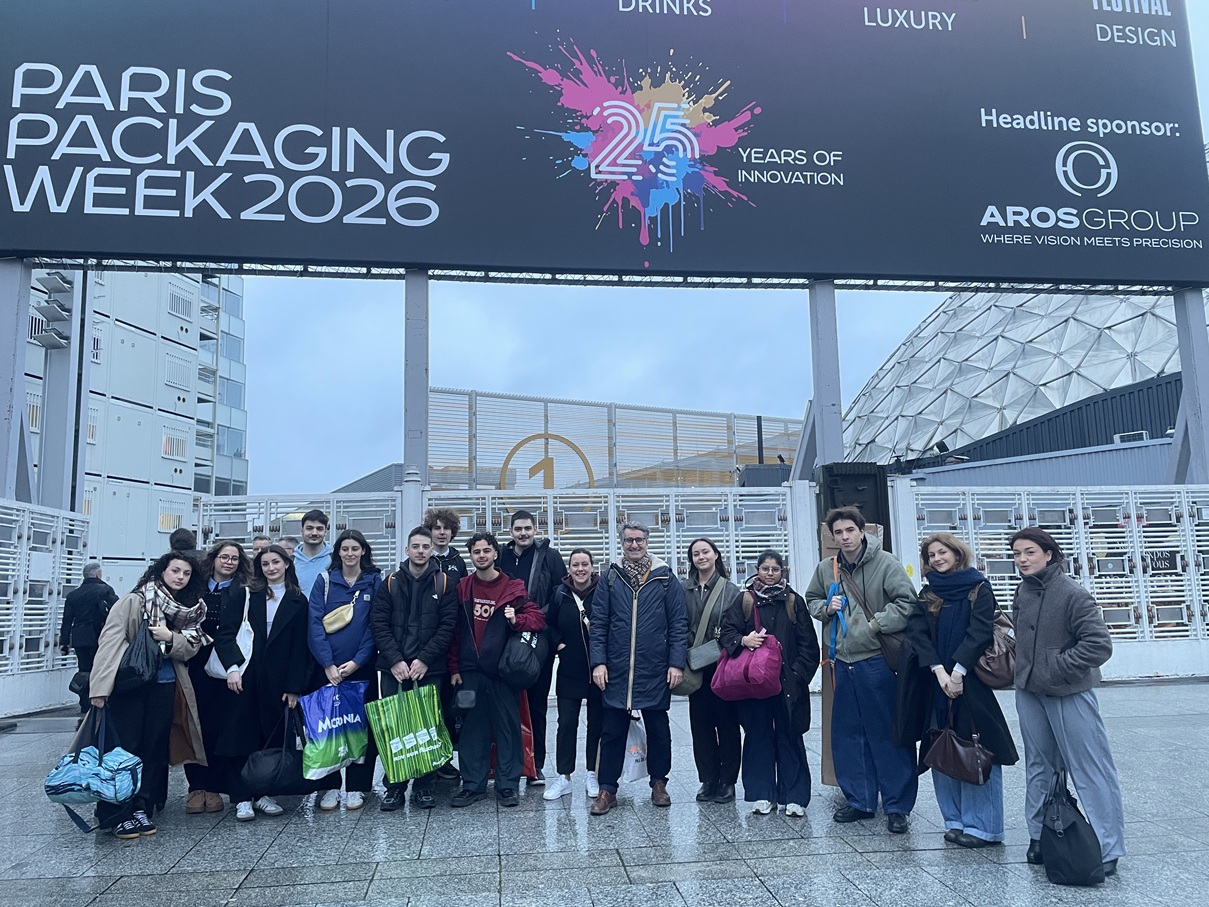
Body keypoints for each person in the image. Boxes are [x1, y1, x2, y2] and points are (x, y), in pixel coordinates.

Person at [1011, 527, 1125, 876]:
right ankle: (1039, 837)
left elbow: (1099, 645)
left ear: (1048, 553)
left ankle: (1107, 847)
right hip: (1030, 692)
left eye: (1029, 552)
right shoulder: (1023, 591)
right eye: (1017, 554)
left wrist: (1058, 666)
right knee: (1039, 767)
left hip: (1068, 692)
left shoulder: (1073, 593)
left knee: (1089, 769)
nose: (1022, 560)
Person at [900, 533, 1018, 847]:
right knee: (942, 747)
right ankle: (954, 820)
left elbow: (979, 631)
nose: (937, 558)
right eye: (931, 555)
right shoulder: (928, 593)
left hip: (972, 682)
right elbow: (918, 633)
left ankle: (985, 827)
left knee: (979, 748)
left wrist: (958, 672)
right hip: (936, 682)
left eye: (942, 552)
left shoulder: (979, 587)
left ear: (956, 553)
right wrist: (939, 671)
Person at [805, 507, 918, 833]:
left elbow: (907, 602)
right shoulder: (828, 568)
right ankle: (860, 800)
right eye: (838, 533)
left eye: (849, 531)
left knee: (887, 734)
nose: (844, 537)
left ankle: (897, 806)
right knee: (848, 736)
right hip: (841, 663)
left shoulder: (886, 563)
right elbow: (811, 598)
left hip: (875, 661)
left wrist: (875, 625)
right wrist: (825, 608)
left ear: (861, 530)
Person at [87, 552, 209, 838]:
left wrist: (170, 637)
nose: (180, 577)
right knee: (123, 748)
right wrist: (99, 689)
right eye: (175, 570)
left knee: (153, 748)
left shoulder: (189, 609)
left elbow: (191, 647)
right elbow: (110, 642)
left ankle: (142, 804)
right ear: (161, 571)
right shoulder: (135, 600)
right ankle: (117, 811)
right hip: (129, 686)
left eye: (186, 573)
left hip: (165, 683)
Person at [588, 521, 687, 815]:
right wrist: (599, 662)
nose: (634, 545)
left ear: (647, 542)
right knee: (613, 731)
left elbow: (678, 624)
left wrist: (676, 663)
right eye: (629, 540)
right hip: (617, 669)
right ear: (622, 543)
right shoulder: (609, 578)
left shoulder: (664, 577)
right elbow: (599, 624)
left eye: (639, 540)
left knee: (658, 728)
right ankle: (607, 788)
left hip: (654, 668)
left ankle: (659, 783)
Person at [213, 544, 315, 822]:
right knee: (239, 738)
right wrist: (232, 668)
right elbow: (226, 634)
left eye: (276, 562)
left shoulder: (298, 599)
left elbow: (299, 648)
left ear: (286, 564)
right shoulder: (245, 594)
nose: (271, 568)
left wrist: (295, 687)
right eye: (265, 564)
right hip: (244, 677)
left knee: (269, 737)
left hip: (278, 681)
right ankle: (241, 798)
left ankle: (263, 793)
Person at [447, 531, 545, 808]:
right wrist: (454, 667)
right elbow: (454, 631)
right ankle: (473, 785)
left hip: (503, 673)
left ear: (494, 554)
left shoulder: (512, 588)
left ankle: (507, 785)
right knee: (472, 730)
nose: (481, 556)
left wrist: (517, 620)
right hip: (469, 673)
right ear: (471, 556)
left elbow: (537, 618)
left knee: (507, 729)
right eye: (476, 552)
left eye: (486, 551)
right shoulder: (463, 587)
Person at [720, 550, 820, 816]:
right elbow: (727, 631)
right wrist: (743, 641)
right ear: (757, 570)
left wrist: (798, 676)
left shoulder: (793, 601)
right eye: (765, 569)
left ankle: (795, 796)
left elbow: (809, 645)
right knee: (757, 735)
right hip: (754, 682)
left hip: (788, 683)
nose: (770, 574)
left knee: (790, 735)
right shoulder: (745, 600)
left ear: (782, 572)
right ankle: (762, 794)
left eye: (775, 570)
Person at [369, 526, 458, 811]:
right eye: (415, 546)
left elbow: (448, 627)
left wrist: (424, 660)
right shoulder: (390, 582)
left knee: (427, 727)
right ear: (406, 550)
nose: (420, 551)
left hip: (428, 669)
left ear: (432, 550)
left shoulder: (445, 582)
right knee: (396, 727)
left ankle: (424, 785)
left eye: (425, 546)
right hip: (394, 669)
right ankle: (395, 786)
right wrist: (395, 660)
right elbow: (378, 623)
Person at [308, 529, 383, 812]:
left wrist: (358, 661)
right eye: (345, 549)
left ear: (363, 551)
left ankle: (358, 786)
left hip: (361, 669)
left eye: (355, 548)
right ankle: (329, 787)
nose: (350, 553)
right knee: (328, 729)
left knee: (361, 727)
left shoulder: (374, 581)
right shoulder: (325, 581)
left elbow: (375, 624)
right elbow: (314, 623)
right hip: (327, 670)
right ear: (337, 552)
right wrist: (327, 663)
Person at [498, 509, 567, 786]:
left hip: (540, 637)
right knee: (507, 705)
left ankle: (536, 765)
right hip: (505, 639)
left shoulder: (550, 556)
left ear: (535, 529)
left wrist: (535, 618)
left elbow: (561, 592)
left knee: (537, 704)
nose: (523, 533)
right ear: (511, 531)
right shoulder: (501, 556)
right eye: (518, 529)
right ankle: (510, 765)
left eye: (528, 528)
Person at [184, 541, 252, 815]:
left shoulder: (244, 590)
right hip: (194, 661)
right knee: (196, 725)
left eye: (234, 558)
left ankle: (216, 786)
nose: (229, 562)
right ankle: (196, 785)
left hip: (229, 664)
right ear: (213, 559)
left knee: (223, 725)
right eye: (224, 557)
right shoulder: (195, 587)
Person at [682, 537, 741, 804]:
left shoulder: (731, 590)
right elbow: (677, 624)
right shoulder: (683, 589)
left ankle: (728, 781)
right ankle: (708, 779)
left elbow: (737, 626)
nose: (701, 557)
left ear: (716, 555)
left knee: (727, 724)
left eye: (706, 551)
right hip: (695, 667)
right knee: (700, 725)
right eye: (696, 553)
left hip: (723, 666)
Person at [543, 548, 602, 801]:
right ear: (569, 568)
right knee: (566, 723)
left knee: (598, 724)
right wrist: (558, 643)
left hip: (600, 670)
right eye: (575, 565)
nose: (580, 569)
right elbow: (548, 623)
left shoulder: (603, 591)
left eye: (584, 564)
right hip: (570, 669)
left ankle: (593, 773)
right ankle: (564, 776)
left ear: (592, 566)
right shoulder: (560, 593)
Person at [59, 562, 118, 712]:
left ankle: (84, 701)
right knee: (99, 668)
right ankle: (97, 699)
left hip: (79, 637)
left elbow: (67, 620)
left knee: (84, 668)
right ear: (98, 574)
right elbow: (117, 610)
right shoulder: (105, 589)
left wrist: (64, 642)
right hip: (98, 635)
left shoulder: (73, 595)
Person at [292, 510, 331, 597]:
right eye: (309, 528)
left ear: (325, 532)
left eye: (319, 529)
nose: (314, 533)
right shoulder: (290, 561)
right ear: (301, 531)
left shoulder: (335, 559)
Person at [424, 508, 468, 579]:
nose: (442, 532)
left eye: (446, 528)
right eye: (437, 528)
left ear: (452, 532)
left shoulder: (459, 561)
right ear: (430, 532)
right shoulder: (423, 558)